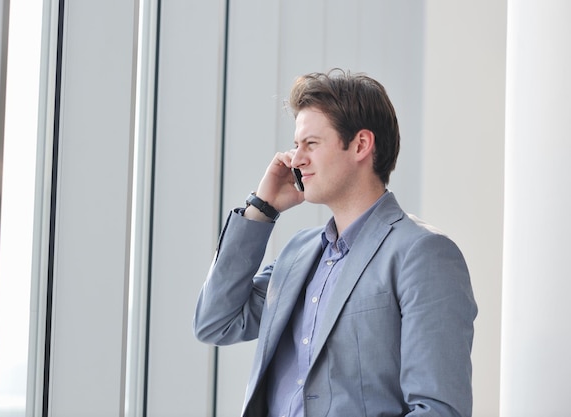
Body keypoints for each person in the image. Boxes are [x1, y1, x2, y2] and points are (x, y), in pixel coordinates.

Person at [193, 69, 477, 417]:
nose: (295, 159)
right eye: (297, 145)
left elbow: (437, 409)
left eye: (311, 144)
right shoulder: (299, 253)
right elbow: (216, 322)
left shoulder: (422, 254)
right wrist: (261, 210)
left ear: (360, 145)